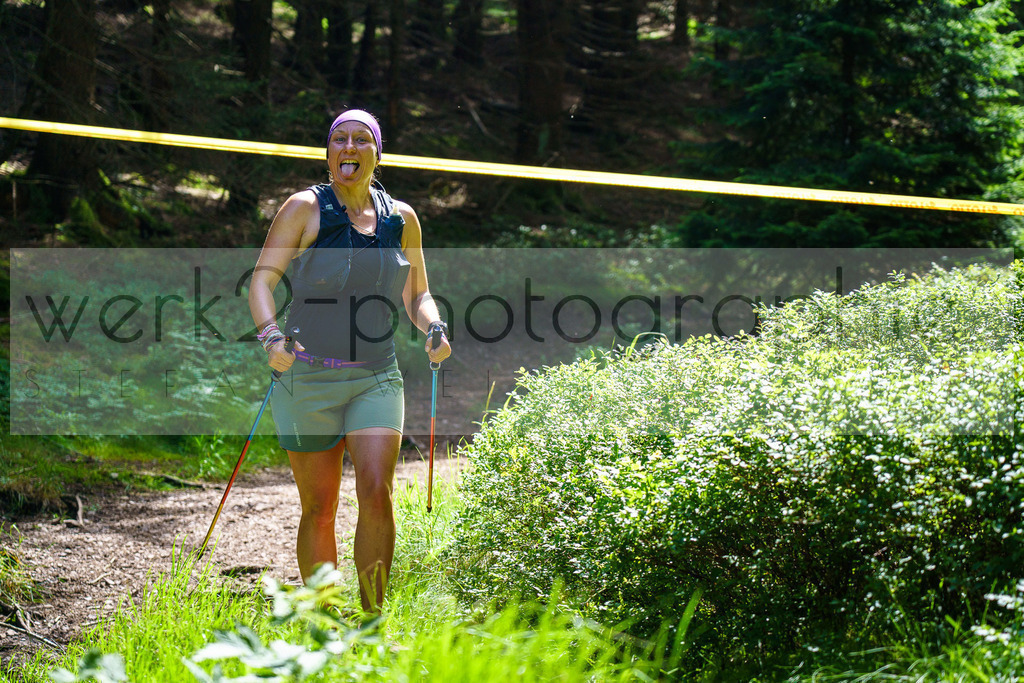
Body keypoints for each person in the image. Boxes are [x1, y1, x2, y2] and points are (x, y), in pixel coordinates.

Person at [248, 108, 451, 613]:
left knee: (377, 490)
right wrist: (272, 337)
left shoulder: (401, 219)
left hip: (376, 377)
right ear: (329, 152)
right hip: (306, 376)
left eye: (362, 140)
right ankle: (324, 621)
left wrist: (435, 326)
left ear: (377, 154)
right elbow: (260, 281)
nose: (350, 148)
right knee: (319, 508)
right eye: (340, 139)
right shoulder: (303, 209)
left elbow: (418, 294)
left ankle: (371, 621)